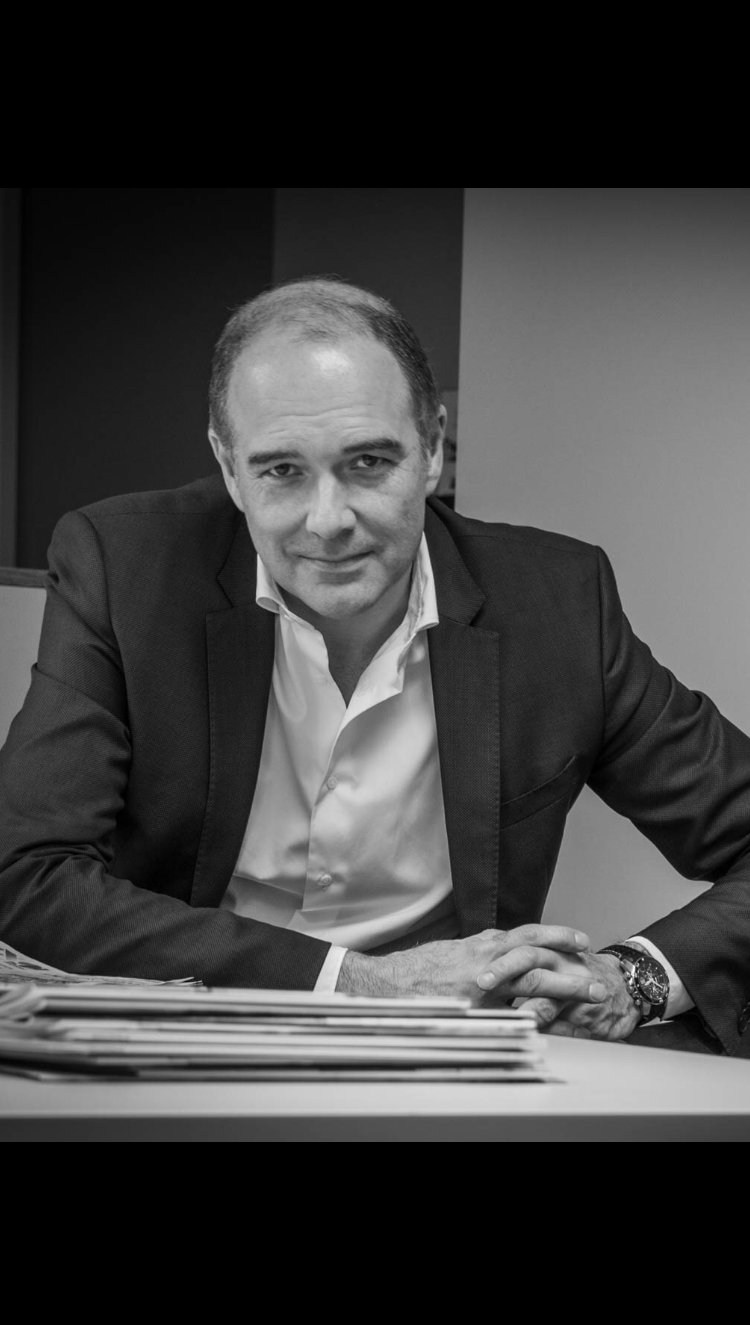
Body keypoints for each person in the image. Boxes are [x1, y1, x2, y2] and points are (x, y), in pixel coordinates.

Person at [1, 277, 749, 1059]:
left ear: (432, 448)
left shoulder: (556, 603)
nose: (328, 522)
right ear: (228, 466)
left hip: (448, 1064)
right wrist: (356, 983)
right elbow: (25, 872)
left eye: (368, 461)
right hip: (182, 1048)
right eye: (280, 470)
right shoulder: (124, 568)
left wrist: (634, 979)